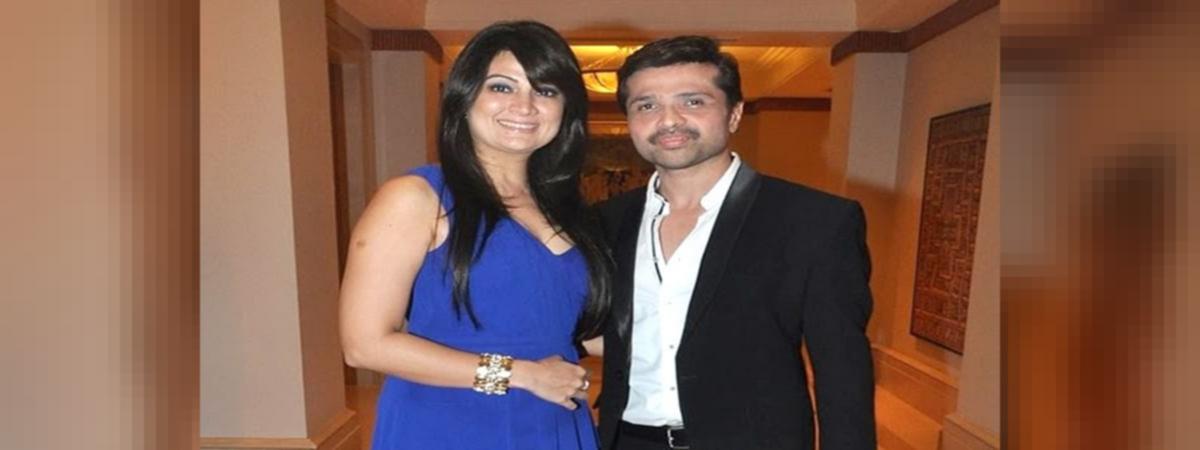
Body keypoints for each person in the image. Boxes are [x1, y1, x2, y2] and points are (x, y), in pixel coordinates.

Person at [595, 36, 877, 450]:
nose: (669, 120)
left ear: (734, 114)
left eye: (693, 101)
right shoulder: (604, 221)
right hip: (628, 441)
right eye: (647, 105)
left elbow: (843, 375)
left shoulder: (815, 221)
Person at [339, 21, 609, 450]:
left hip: (552, 419)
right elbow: (365, 345)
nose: (525, 106)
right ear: (464, 98)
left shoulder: (570, 211)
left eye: (545, 91)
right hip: (447, 423)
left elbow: (579, 328)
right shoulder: (417, 196)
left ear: (566, 109)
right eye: (502, 87)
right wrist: (520, 374)